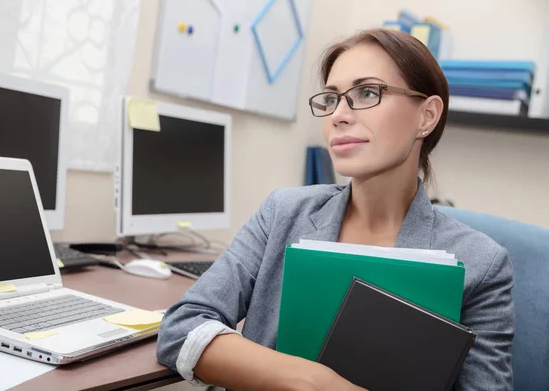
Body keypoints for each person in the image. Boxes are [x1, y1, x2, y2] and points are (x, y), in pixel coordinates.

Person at [156, 28, 515, 391]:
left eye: (367, 92)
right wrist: (311, 380)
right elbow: (181, 327)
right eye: (331, 98)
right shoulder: (283, 212)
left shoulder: (482, 264)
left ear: (427, 116)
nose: (339, 115)